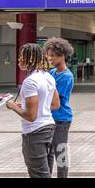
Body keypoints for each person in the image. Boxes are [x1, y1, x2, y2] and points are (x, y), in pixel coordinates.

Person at [6, 43, 60, 178]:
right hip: (49, 128)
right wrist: (26, 106)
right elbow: (54, 104)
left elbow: (31, 116)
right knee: (46, 172)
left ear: (29, 59)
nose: (19, 60)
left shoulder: (30, 81)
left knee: (39, 174)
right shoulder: (48, 77)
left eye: (21, 57)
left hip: (34, 132)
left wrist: (12, 105)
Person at [44, 38, 75, 178]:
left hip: (61, 119)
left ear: (62, 55)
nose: (50, 58)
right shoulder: (51, 73)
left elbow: (55, 100)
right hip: (50, 118)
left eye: (53, 56)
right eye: (48, 55)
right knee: (48, 152)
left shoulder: (66, 76)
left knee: (60, 152)